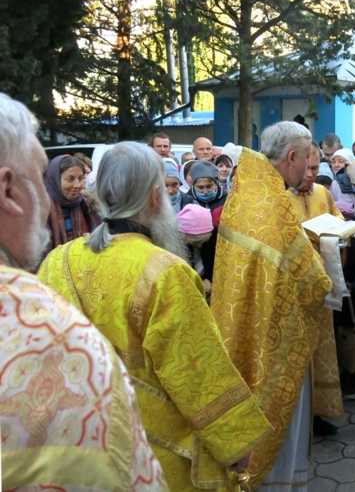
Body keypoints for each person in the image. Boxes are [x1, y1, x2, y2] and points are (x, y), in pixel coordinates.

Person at [38, 141, 271, 492]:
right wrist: (235, 443)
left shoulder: (58, 260)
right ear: (153, 197)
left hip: (81, 442)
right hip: (152, 454)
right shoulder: (165, 273)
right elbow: (197, 370)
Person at [0, 92, 165, 491]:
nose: (48, 202)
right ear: (6, 191)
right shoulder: (55, 342)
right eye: (40, 180)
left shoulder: (57, 261)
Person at [210, 122, 332, 490]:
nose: (308, 167)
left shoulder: (246, 192)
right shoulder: (274, 206)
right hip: (276, 339)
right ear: (292, 157)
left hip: (243, 325)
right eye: (307, 158)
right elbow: (313, 284)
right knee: (283, 419)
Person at [286, 142, 345, 437]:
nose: (311, 174)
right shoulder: (280, 198)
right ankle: (293, 417)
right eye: (307, 168)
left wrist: (342, 235)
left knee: (321, 349)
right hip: (293, 290)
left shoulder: (323, 193)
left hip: (321, 283)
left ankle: (317, 411)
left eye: (315, 168)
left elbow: (338, 219)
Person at [44, 154, 100, 257]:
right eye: (70, 179)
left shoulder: (88, 206)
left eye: (81, 178)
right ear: (55, 180)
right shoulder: (41, 211)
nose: (78, 185)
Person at [176, 203, 215, 298]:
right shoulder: (173, 245)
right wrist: (199, 287)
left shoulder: (214, 238)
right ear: (183, 235)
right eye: (196, 242)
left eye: (203, 242)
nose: (200, 245)